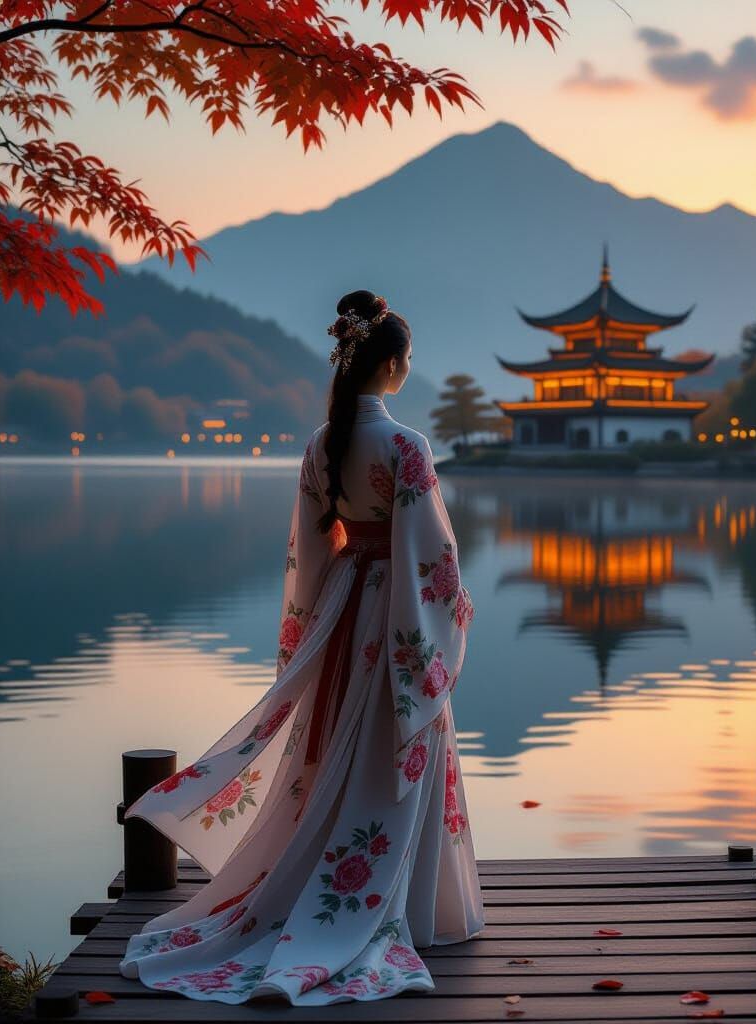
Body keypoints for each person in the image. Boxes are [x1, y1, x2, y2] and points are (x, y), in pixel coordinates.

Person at [118, 290, 484, 1004]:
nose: (407, 368)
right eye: (406, 359)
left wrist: (316, 626)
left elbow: (312, 551)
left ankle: (329, 889)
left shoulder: (324, 442)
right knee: (394, 737)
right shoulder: (407, 446)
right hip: (397, 611)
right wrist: (446, 618)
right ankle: (411, 910)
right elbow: (432, 557)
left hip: (347, 603)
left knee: (338, 747)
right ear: (391, 364)